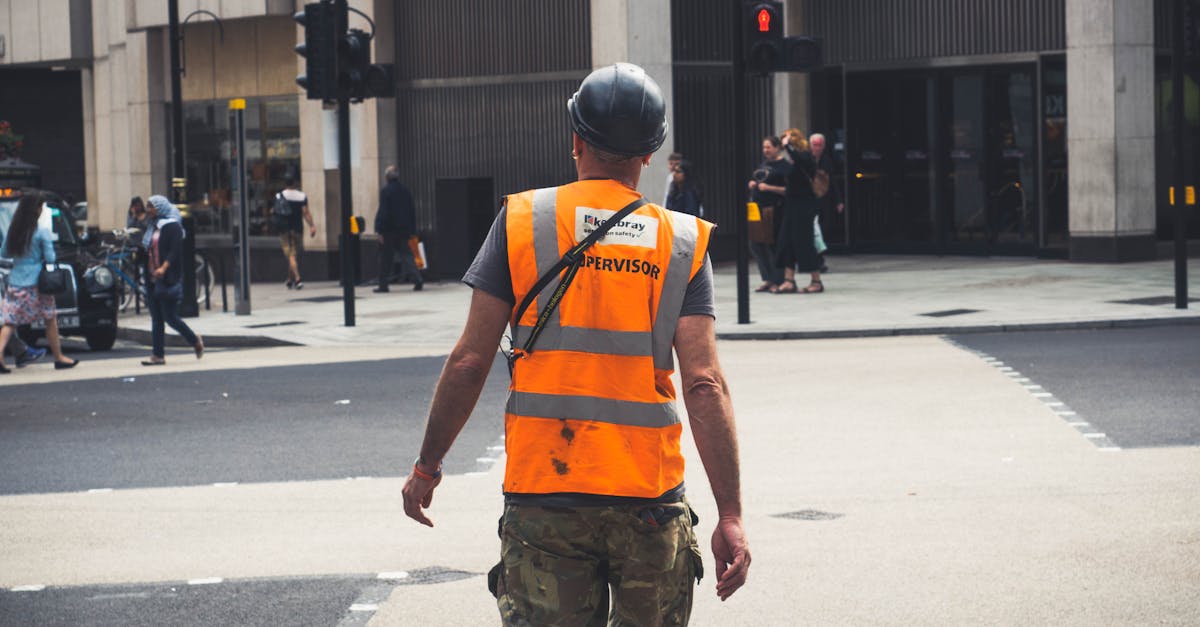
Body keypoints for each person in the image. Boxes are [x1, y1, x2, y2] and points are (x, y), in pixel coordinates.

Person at [401, 63, 750, 625]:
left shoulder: (522, 221)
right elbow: (704, 383)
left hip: (546, 493)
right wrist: (729, 513)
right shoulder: (681, 242)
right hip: (648, 497)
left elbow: (469, 360)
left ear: (575, 140)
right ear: (651, 152)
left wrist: (428, 466)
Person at [0, 191, 78, 373]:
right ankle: (59, 357)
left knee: (10, 323)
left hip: (16, 282)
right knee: (50, 319)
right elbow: (50, 257)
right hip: (38, 284)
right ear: (35, 210)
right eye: (40, 206)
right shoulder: (41, 231)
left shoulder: (14, 230)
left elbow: (4, 253)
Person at [140, 195, 202, 366]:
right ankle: (158, 355)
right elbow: (148, 248)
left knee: (170, 317)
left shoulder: (173, 226)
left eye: (151, 206)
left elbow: (174, 252)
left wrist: (163, 268)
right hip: (152, 276)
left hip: (167, 277)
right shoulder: (152, 226)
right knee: (156, 318)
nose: (148, 209)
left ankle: (194, 340)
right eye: (148, 206)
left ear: (160, 208)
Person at [773, 131, 825, 293]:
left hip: (804, 207)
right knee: (786, 241)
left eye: (785, 144)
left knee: (804, 242)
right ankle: (789, 280)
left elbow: (802, 162)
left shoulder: (805, 157)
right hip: (792, 206)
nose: (783, 147)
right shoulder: (792, 160)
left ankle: (816, 281)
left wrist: (788, 146)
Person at [747, 136, 790, 292]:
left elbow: (789, 190)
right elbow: (757, 180)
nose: (765, 150)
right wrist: (753, 185)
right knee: (756, 244)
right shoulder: (764, 164)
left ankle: (778, 280)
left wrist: (769, 188)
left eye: (768, 147)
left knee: (773, 244)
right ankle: (767, 278)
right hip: (757, 208)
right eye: (764, 147)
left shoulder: (784, 166)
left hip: (775, 209)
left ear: (777, 147)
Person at [373, 165, 423, 292]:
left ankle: (383, 285)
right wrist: (412, 230)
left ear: (386, 177)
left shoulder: (386, 191)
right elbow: (411, 210)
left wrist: (379, 229)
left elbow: (383, 211)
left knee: (385, 258)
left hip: (389, 231)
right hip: (404, 230)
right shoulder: (405, 190)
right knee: (407, 256)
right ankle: (418, 279)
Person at [808, 133, 844, 274]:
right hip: (809, 200)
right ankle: (816, 261)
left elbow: (833, 181)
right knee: (812, 231)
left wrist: (839, 200)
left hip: (824, 200)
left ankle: (819, 259)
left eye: (820, 145)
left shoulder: (827, 160)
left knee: (823, 228)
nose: (817, 148)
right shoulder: (806, 159)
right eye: (815, 145)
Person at [274, 176, 316, 289]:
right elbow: (306, 212)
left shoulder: (279, 195)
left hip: (284, 229)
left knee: (291, 255)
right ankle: (292, 279)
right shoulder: (301, 196)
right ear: (295, 183)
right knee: (293, 254)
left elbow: (275, 211)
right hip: (297, 229)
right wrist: (312, 226)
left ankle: (296, 279)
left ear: (285, 183)